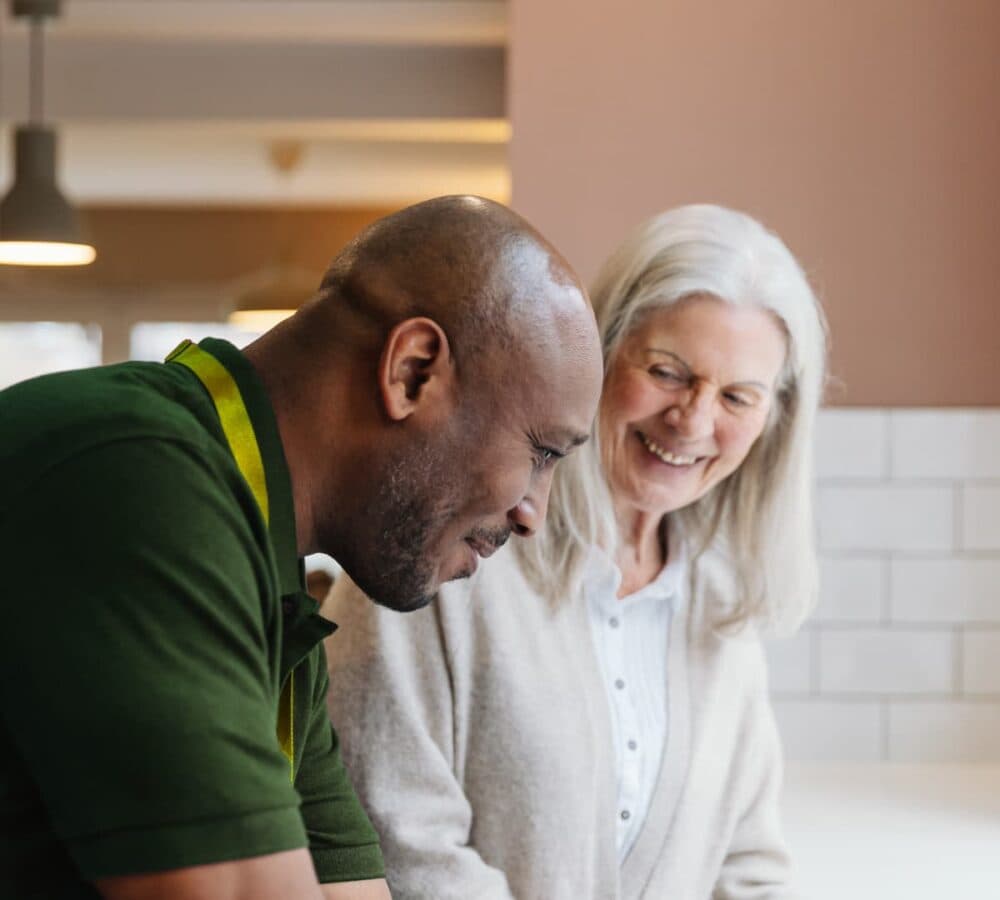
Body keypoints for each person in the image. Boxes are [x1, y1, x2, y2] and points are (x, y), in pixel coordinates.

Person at [0, 196, 603, 900]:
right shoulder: (134, 472)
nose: (535, 513)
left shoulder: (271, 582)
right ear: (412, 371)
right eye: (542, 451)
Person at [325, 204, 828, 899]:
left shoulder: (718, 609)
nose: (693, 420)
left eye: (738, 396)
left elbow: (749, 866)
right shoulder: (444, 552)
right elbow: (395, 839)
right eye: (668, 371)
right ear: (598, 349)